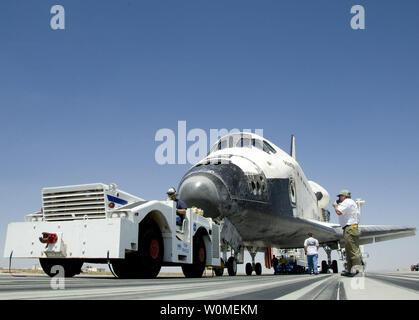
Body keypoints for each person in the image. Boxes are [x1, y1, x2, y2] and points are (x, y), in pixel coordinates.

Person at [333, 189, 362, 277]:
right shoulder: (352, 202)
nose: (339, 198)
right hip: (350, 228)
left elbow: (338, 212)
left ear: (344, 196)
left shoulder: (346, 202)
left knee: (353, 250)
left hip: (350, 228)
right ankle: (350, 270)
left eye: (340, 196)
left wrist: (335, 206)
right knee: (349, 250)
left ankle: (356, 270)